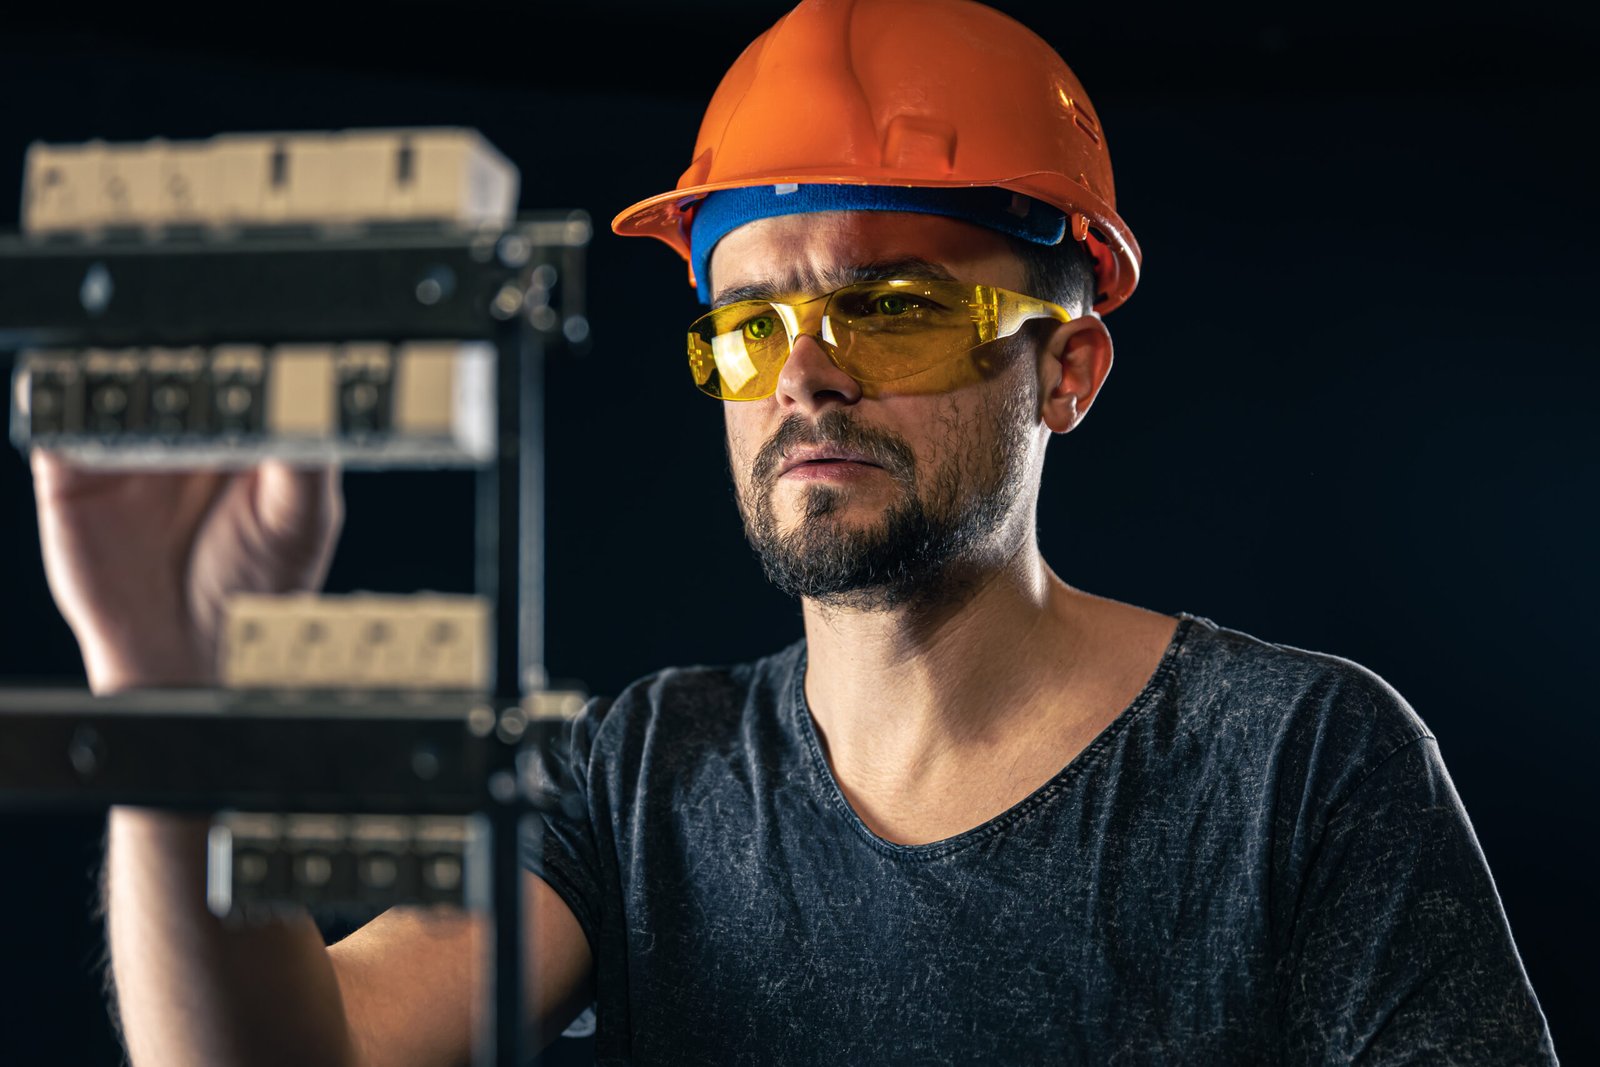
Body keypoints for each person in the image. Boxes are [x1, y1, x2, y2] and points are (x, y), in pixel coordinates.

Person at [33, 0, 1556, 1064]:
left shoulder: (1297, 766)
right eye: (752, 323)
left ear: (1068, 368)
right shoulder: (636, 787)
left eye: (891, 306)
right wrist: (164, 687)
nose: (807, 370)